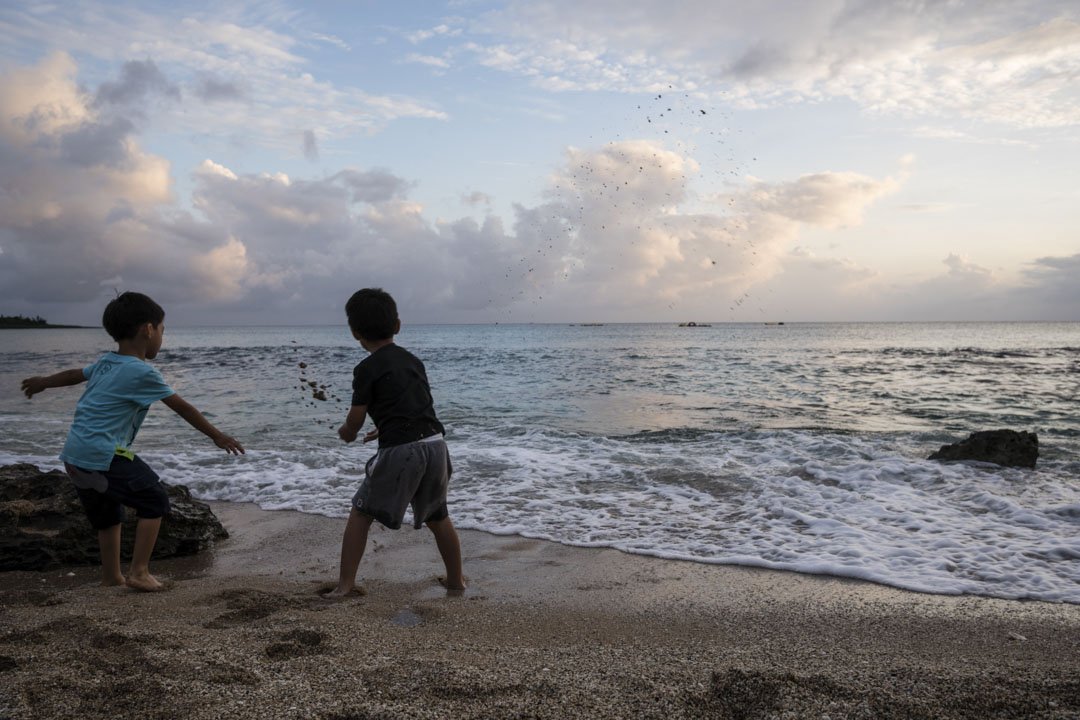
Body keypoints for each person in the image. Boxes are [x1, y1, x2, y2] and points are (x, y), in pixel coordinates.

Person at [20, 291, 244, 592]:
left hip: (74, 455)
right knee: (155, 500)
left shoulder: (106, 363)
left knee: (108, 515)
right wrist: (217, 435)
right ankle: (139, 572)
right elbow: (182, 407)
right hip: (104, 454)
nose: (162, 337)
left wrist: (43, 382)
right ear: (148, 330)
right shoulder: (142, 371)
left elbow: (76, 374)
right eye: (163, 330)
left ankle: (111, 577)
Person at [324, 288, 465, 598]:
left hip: (403, 450)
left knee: (360, 513)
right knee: (438, 516)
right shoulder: (413, 361)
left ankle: (345, 585)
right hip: (435, 444)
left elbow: (356, 418)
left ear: (354, 332)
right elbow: (415, 403)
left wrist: (348, 431)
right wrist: (384, 427)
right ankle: (456, 581)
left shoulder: (365, 369)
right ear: (397, 325)